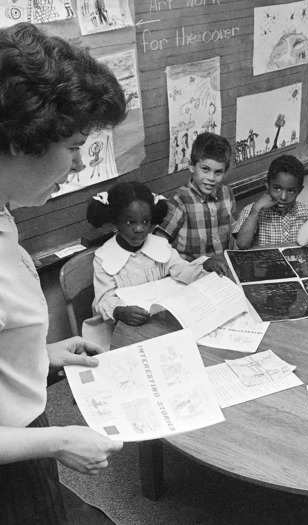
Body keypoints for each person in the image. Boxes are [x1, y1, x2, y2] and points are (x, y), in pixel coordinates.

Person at [0, 22, 126, 523]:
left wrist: (39, 356)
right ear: (21, 141)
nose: (77, 166)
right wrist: (59, 441)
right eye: (73, 147)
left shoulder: (3, 210)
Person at [88, 182, 221, 327]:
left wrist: (203, 267)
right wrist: (119, 311)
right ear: (115, 222)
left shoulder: (159, 245)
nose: (139, 228)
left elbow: (182, 269)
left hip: (159, 320)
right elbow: (103, 300)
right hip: (122, 327)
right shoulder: (105, 258)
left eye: (145, 221)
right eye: (130, 222)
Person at [157, 132, 236, 264]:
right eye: (205, 169)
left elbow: (233, 231)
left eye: (218, 172)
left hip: (222, 270)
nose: (211, 178)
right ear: (192, 166)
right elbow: (160, 241)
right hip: (191, 273)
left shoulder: (227, 194)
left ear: (225, 171)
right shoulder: (180, 200)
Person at [235, 154, 308, 248]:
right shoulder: (251, 211)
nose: (283, 197)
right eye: (277, 188)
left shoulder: (306, 213)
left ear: (299, 191)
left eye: (290, 191)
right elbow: (242, 245)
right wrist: (255, 212)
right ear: (267, 186)